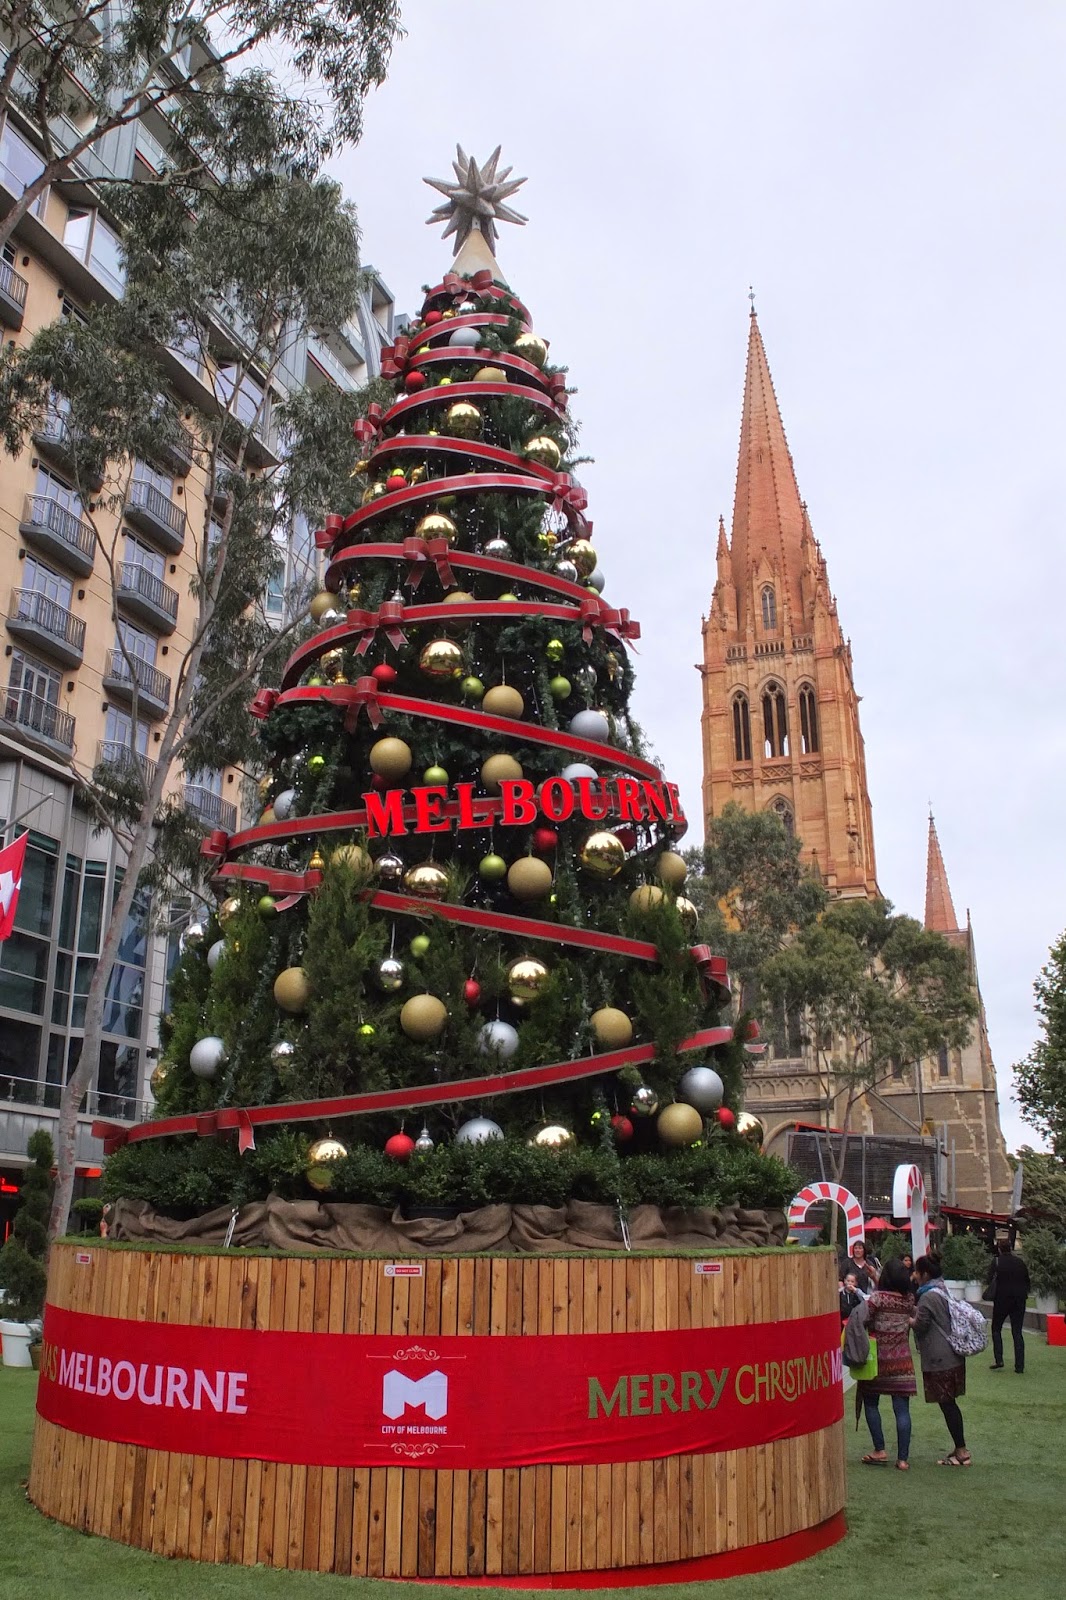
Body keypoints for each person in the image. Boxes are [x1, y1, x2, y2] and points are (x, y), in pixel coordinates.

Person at [911, 1253, 970, 1466]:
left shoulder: (927, 1296)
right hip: (952, 1355)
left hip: (940, 1357)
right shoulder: (942, 1289)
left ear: (925, 1274)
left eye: (917, 1272)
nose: (914, 1276)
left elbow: (921, 1324)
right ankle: (959, 1447)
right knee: (949, 1403)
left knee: (947, 1404)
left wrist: (908, 1319)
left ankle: (961, 1450)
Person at [857, 1259, 917, 1470]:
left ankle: (879, 1449)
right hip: (902, 1361)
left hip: (878, 1361)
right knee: (902, 1411)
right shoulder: (908, 1300)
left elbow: (863, 1318)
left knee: (871, 1403)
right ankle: (902, 1459)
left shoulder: (877, 1299)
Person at [987, 1239, 1030, 1374]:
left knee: (996, 1328)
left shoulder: (997, 1262)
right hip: (1019, 1299)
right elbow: (1027, 1280)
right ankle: (1019, 1365)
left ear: (999, 1249)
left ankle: (999, 1359)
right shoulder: (1020, 1262)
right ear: (1010, 1248)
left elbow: (989, 1279)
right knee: (1017, 1332)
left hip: (1002, 1299)